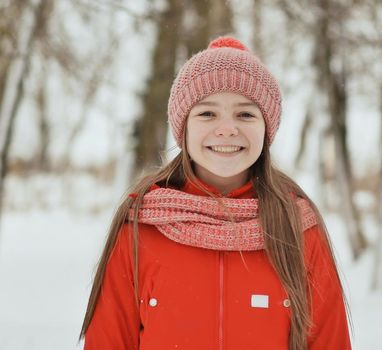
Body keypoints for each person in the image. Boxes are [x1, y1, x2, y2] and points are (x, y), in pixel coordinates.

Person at [80, 36, 351, 350]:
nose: (226, 129)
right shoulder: (141, 227)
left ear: (267, 129)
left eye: (245, 114)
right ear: (183, 128)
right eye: (207, 114)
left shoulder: (298, 228)